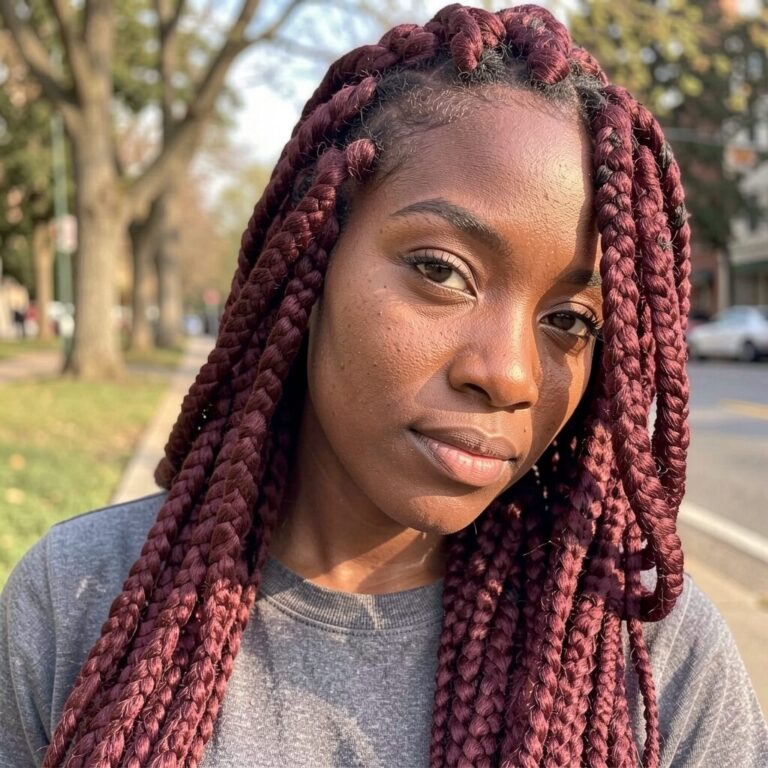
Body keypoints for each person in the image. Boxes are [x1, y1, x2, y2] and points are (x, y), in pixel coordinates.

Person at [1, 4, 766, 767]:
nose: (509, 375)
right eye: (441, 270)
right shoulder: (78, 599)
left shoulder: (649, 659)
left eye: (568, 320)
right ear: (311, 261)